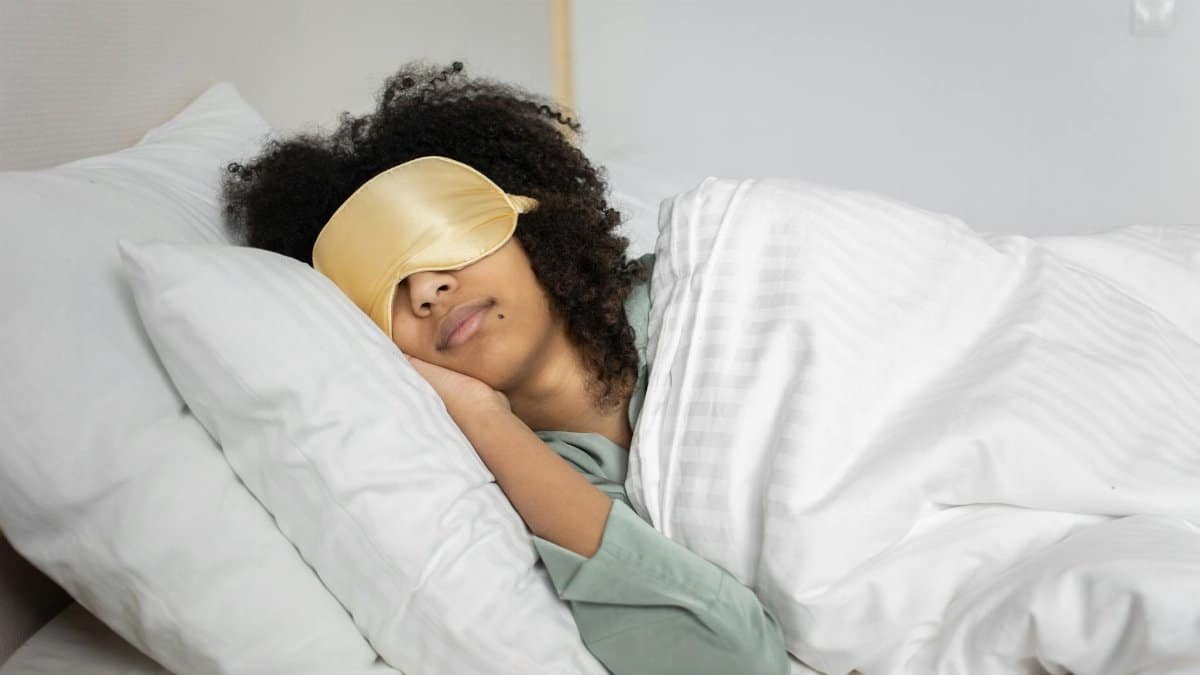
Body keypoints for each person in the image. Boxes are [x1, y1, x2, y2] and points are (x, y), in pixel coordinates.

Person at [221, 60, 790, 675]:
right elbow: (738, 659)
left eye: (438, 232)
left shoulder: (703, 283)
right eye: (386, 290)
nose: (428, 290)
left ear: (528, 211)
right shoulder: (546, 490)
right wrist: (483, 419)